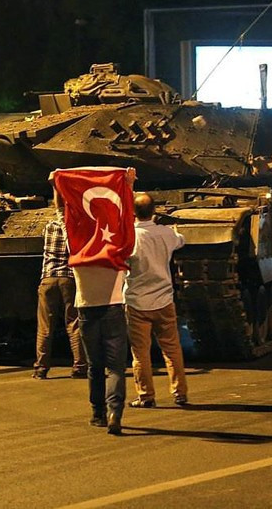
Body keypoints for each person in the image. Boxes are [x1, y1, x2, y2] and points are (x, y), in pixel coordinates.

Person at [58, 168, 136, 436]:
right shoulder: (117, 251)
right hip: (114, 311)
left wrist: (58, 187)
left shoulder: (77, 253)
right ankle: (116, 411)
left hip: (86, 312)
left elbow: (66, 218)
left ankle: (97, 413)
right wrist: (128, 186)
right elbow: (127, 222)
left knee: (94, 366)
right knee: (116, 367)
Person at [124, 193, 188, 408]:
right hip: (164, 300)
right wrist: (175, 229)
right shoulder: (165, 233)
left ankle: (146, 396)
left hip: (136, 302)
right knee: (172, 349)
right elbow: (180, 241)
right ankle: (179, 393)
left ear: (133, 212)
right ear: (153, 211)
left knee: (140, 353)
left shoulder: (128, 236)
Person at [32, 187, 88, 381]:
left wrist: (56, 186)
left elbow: (58, 210)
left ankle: (41, 368)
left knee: (45, 326)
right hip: (69, 279)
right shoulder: (76, 228)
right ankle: (80, 366)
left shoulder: (48, 226)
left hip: (47, 279)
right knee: (73, 323)